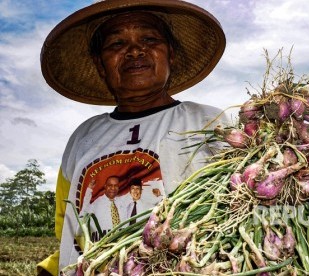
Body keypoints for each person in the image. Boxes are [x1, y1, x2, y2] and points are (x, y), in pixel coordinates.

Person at [37, 0, 227, 275]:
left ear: (170, 55)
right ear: (101, 66)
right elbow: (68, 226)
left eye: (149, 39)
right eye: (116, 44)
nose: (134, 51)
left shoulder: (210, 123)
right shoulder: (83, 137)